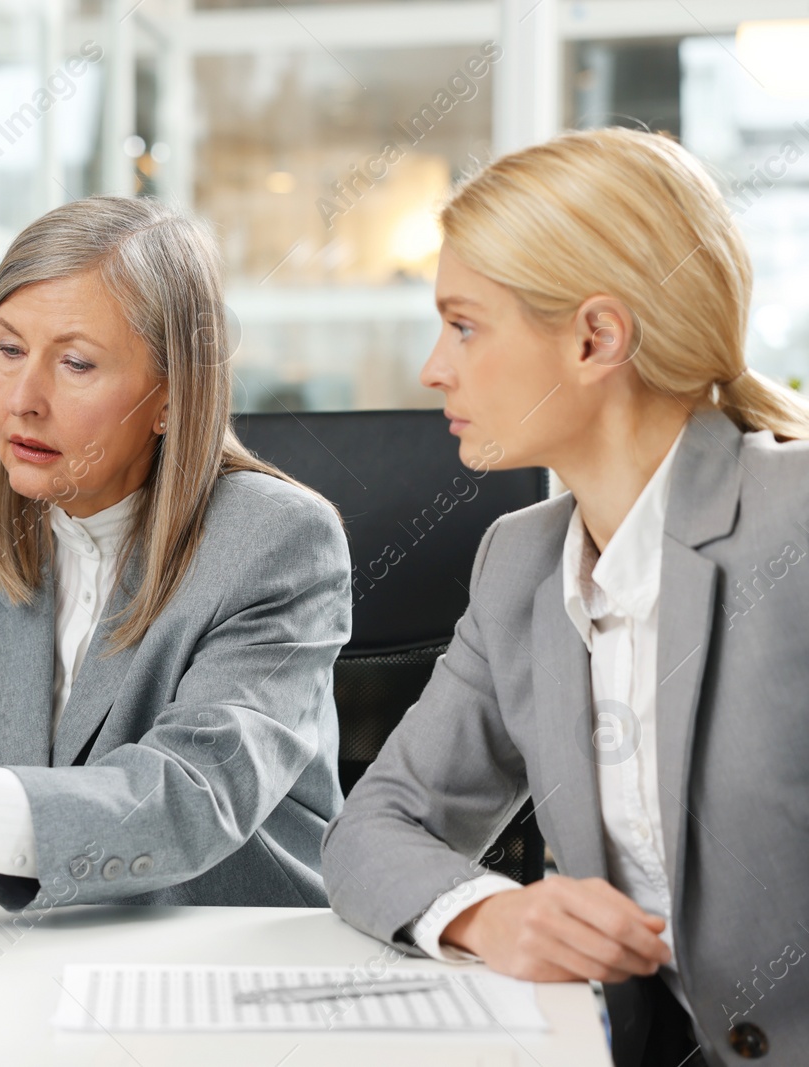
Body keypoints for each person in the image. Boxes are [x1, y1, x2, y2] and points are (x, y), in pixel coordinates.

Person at [321, 127, 809, 1066]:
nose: (435, 367)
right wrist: (487, 912)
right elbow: (374, 829)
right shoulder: (524, 563)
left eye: (464, 324)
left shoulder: (791, 523)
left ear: (595, 337)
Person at [0, 195, 350, 910]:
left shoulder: (279, 542)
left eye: (75, 362)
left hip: (225, 971)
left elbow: (188, 797)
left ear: (171, 395)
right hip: (3, 995)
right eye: (9, 348)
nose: (23, 398)